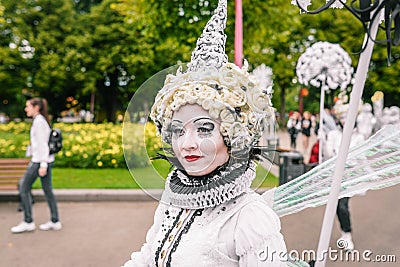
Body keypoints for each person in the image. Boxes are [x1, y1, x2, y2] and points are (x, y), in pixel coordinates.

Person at [122, 1, 289, 266]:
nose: (187, 145)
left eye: (204, 129)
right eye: (178, 131)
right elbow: (146, 257)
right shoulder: (172, 198)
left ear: (233, 138)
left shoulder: (250, 217)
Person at [11, 97, 62, 233]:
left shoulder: (39, 122)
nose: (25, 109)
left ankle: (28, 221)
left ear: (36, 107)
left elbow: (43, 145)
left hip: (39, 162)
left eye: (28, 106)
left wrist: (43, 165)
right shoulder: (40, 121)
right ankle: (55, 221)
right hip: (43, 161)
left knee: (23, 188)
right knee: (48, 191)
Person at [324, 93, 365, 251]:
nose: (344, 120)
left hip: (348, 177)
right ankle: (342, 230)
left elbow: (359, 158)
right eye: (342, 117)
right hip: (332, 176)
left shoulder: (359, 137)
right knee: (333, 206)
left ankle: (347, 233)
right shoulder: (333, 134)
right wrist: (326, 142)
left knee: (342, 205)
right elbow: (328, 154)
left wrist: (345, 158)